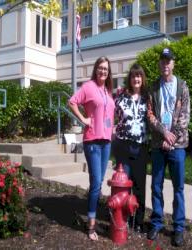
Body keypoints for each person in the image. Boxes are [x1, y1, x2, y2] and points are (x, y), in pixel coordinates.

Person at [146, 48, 190, 247]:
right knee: (156, 186)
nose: (165, 64)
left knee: (178, 187)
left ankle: (178, 228)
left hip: (178, 145)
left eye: (168, 61)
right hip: (158, 144)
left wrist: (172, 138)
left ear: (173, 63)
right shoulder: (153, 87)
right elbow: (150, 115)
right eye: (162, 61)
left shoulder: (182, 86)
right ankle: (156, 222)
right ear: (159, 64)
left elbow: (185, 118)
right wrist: (164, 134)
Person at [69, 56, 115, 241]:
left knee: (98, 181)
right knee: (96, 182)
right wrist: (83, 119)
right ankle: (91, 224)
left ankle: (92, 213)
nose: (103, 71)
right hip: (93, 141)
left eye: (106, 69)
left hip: (106, 141)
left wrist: (113, 128)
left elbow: (108, 114)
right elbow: (72, 102)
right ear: (96, 69)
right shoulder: (88, 87)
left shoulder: (107, 90)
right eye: (100, 68)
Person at [113, 63, 148, 233]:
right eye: (134, 76)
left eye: (139, 76)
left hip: (140, 147)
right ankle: (124, 219)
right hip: (124, 146)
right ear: (130, 79)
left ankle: (139, 221)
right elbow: (108, 111)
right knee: (124, 186)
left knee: (140, 186)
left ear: (142, 79)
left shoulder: (148, 99)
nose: (136, 79)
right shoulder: (120, 97)